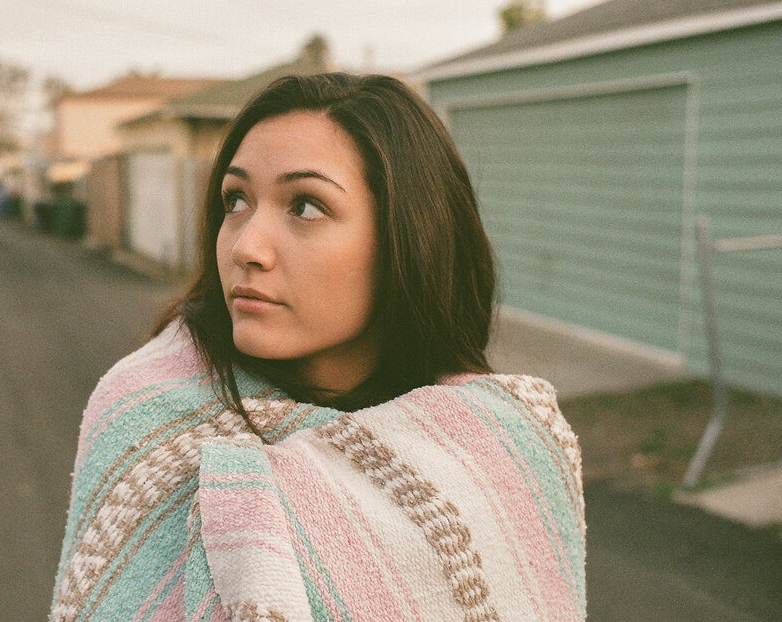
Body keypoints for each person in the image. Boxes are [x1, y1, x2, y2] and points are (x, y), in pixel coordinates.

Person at [50, 73, 586, 621]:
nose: (246, 246)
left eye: (305, 207)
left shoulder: (497, 453)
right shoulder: (145, 421)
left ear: (409, 239)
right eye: (236, 200)